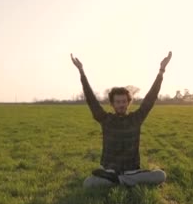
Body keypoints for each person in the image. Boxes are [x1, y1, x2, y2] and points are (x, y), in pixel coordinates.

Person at [70, 51, 172, 188]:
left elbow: (150, 98)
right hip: (110, 168)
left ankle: (116, 180)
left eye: (124, 101)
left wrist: (161, 71)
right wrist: (81, 72)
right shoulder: (105, 119)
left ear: (128, 103)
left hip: (131, 169)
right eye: (117, 102)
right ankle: (122, 179)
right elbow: (91, 99)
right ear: (112, 104)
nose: (121, 104)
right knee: (88, 183)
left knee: (161, 175)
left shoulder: (136, 118)